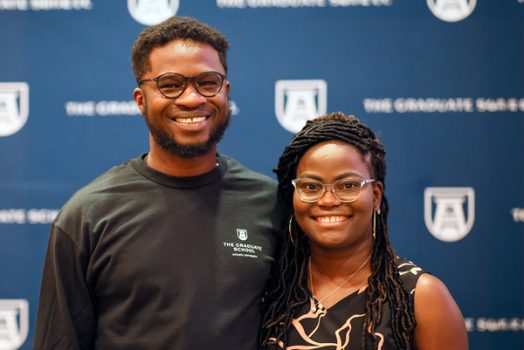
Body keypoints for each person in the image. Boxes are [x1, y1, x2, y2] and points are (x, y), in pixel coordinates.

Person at [34, 16, 283, 350]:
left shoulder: (271, 204)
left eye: (207, 82)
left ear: (226, 92)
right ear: (141, 99)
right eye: (170, 84)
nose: (192, 99)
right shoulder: (88, 215)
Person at [261, 112, 468, 349]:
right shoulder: (271, 290)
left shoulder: (422, 297)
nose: (328, 200)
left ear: (376, 196)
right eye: (311, 186)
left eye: (348, 185)